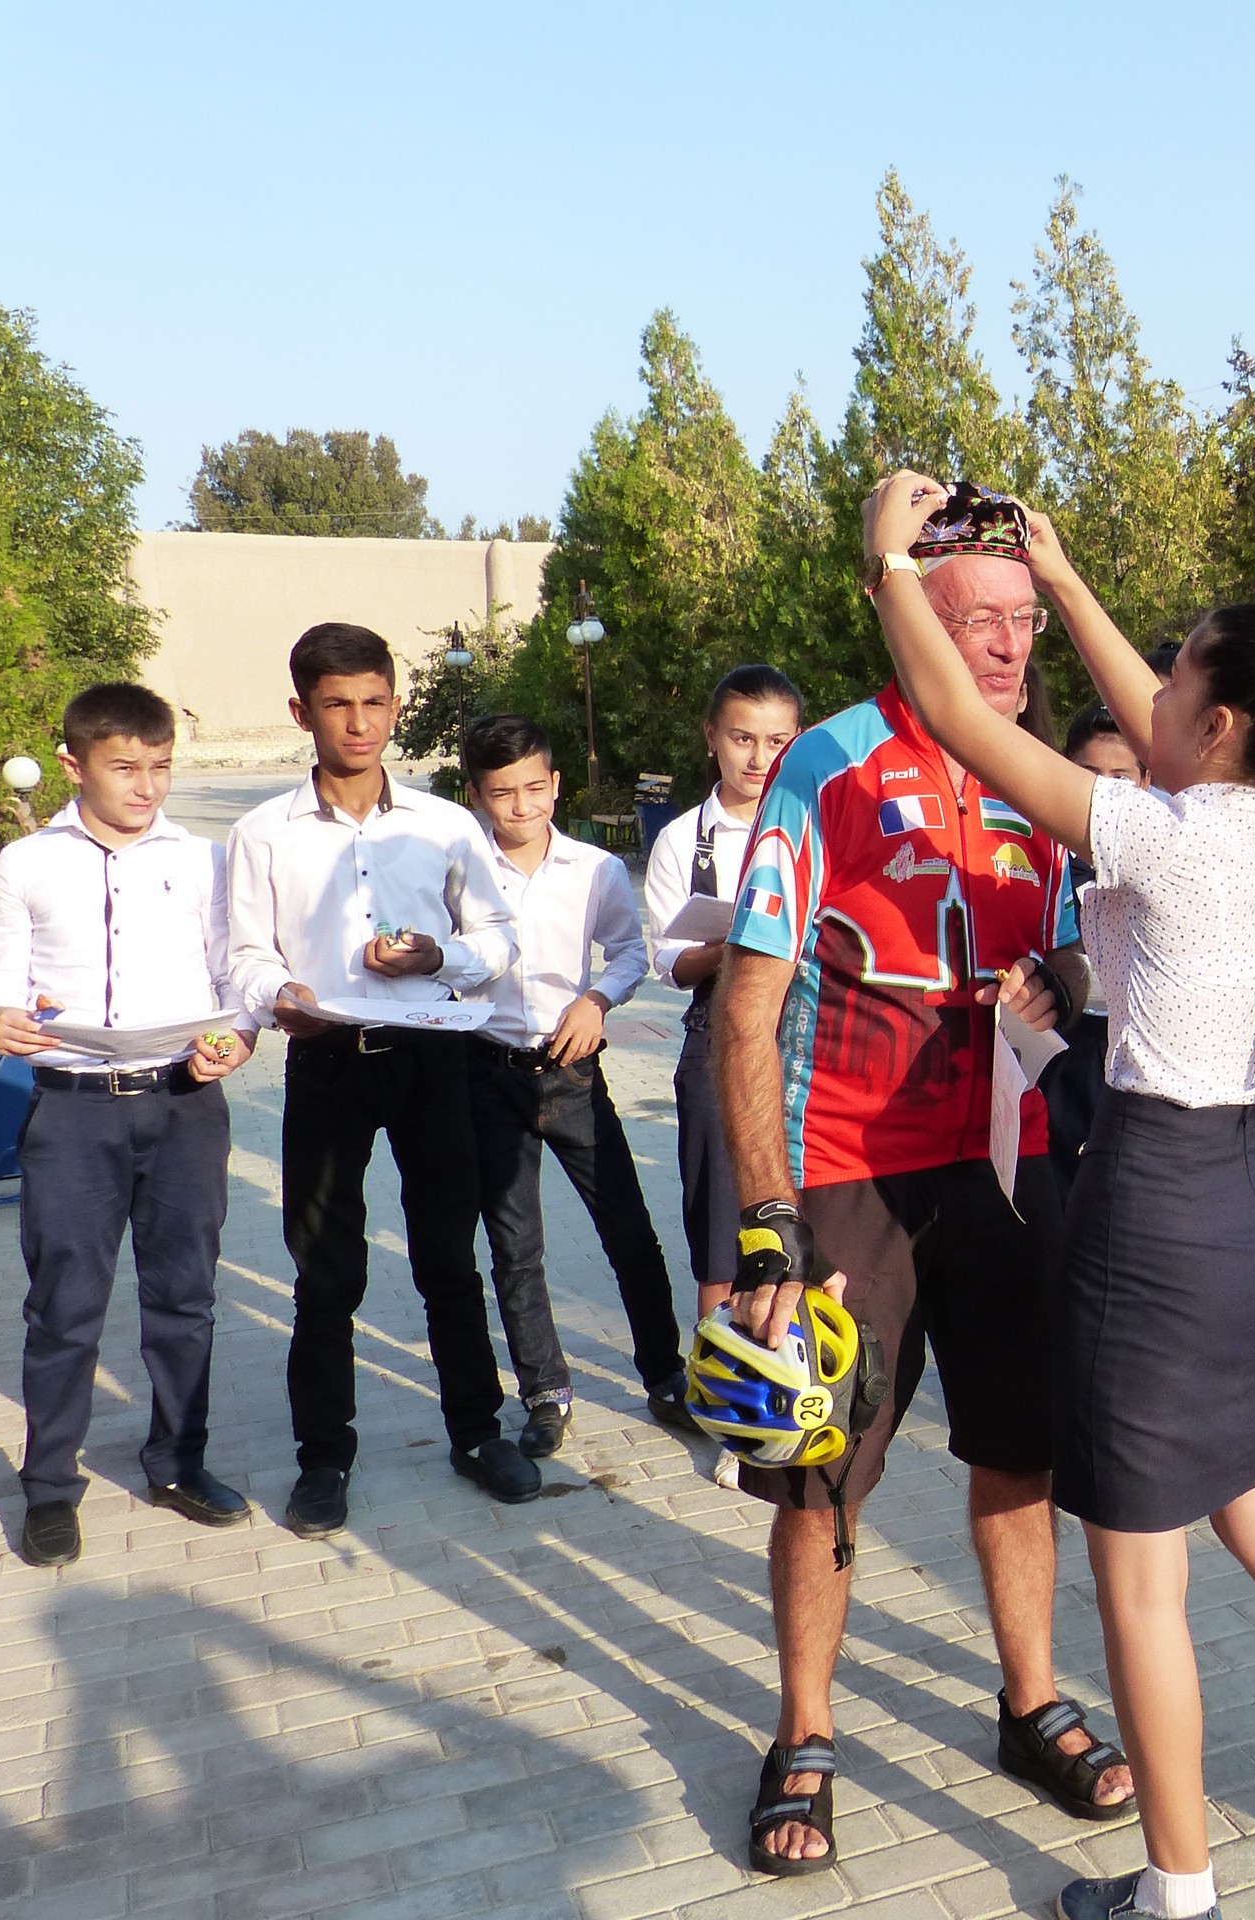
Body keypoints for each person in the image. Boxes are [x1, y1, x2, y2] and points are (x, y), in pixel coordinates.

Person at [853, 469, 1255, 1920]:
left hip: (1158, 1222)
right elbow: (1162, 732)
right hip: (1246, 1199)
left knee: (1140, 1572)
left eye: (1178, 671)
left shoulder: (1175, 836)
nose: (1149, 695)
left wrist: (889, 562)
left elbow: (961, 723)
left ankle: (1175, 1888)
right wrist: (1058, 576)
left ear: (1225, 721)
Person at [712, 484, 1128, 1876]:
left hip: (1007, 1172)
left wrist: (1060, 977)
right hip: (852, 1174)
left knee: (1021, 1451)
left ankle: (1029, 1703)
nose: (1008, 652)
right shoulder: (826, 761)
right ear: (914, 625)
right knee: (820, 1465)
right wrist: (766, 1224)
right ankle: (805, 1733)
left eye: (1021, 624)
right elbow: (746, 1005)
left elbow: (1086, 963)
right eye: (980, 624)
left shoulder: (1039, 780)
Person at [226, 623, 532, 1536]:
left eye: (374, 701)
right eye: (336, 704)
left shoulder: (444, 823)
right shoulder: (262, 834)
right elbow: (241, 951)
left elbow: (498, 939)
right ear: (301, 712)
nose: (358, 723)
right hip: (325, 1065)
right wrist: (283, 994)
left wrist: (441, 954)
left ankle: (477, 1432)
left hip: (435, 1059)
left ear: (396, 703)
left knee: (448, 1257)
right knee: (326, 1275)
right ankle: (324, 1459)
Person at [0, 683, 257, 1568]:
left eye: (161, 767)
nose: (147, 787)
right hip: (70, 1111)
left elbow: (235, 979)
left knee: (185, 1297)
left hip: (182, 1105)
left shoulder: (205, 861)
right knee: (64, 1307)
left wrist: (235, 1039)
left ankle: (178, 1462)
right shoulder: (29, 861)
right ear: (73, 764)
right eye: (125, 767)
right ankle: (51, 1487)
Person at [459, 713, 687, 1456]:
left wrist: (597, 1001)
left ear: (556, 784)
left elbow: (628, 951)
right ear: (476, 794)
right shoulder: (455, 871)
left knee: (628, 1230)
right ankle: (545, 1391)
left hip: (573, 1076)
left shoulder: (592, 870)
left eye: (534, 788)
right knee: (514, 1243)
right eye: (502, 793)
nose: (521, 807)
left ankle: (664, 1374)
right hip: (488, 1075)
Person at [643, 665, 800, 1377]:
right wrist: (738, 941)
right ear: (712, 738)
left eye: (777, 740)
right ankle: (725, 1391)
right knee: (720, 1228)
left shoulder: (814, 820)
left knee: (806, 1221)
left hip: (807, 1034)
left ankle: (799, 1376)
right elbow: (670, 963)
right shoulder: (683, 841)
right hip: (716, 1035)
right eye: (742, 738)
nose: (759, 758)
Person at [1042, 702, 1147, 1199]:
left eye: (1120, 777)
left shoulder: (1163, 867)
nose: (1104, 790)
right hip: (1057, 1051)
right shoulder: (1035, 859)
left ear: (1146, 783)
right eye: (1089, 774)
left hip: (1136, 1061)